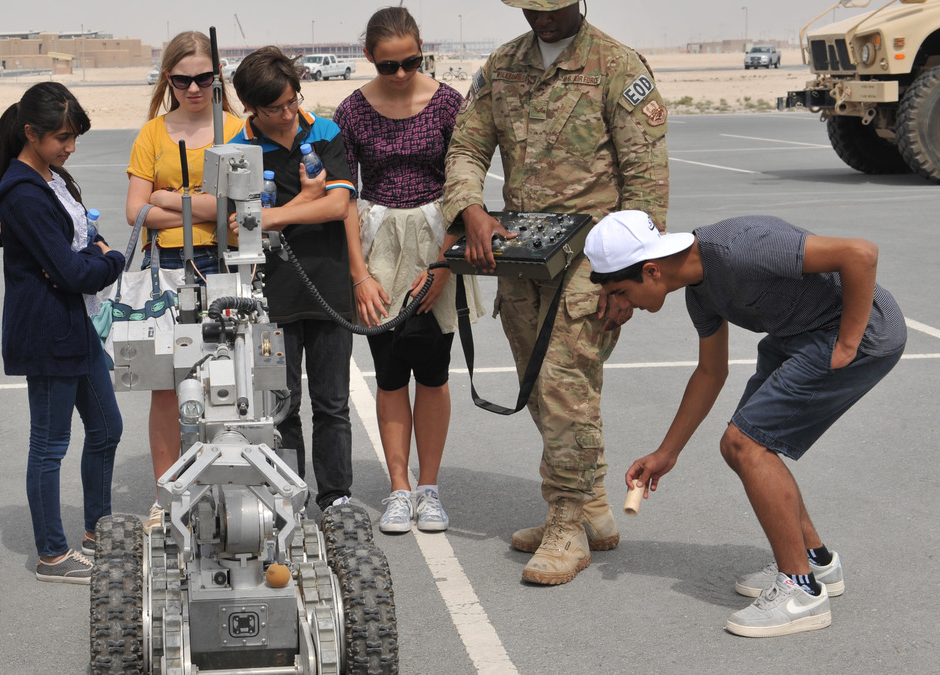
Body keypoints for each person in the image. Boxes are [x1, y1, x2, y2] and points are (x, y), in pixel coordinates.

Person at [585, 211, 906, 637]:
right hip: (798, 334)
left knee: (745, 444)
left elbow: (860, 254)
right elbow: (710, 372)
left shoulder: (740, 248)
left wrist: (848, 342)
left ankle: (800, 593)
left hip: (858, 333)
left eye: (621, 291)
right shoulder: (699, 293)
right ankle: (816, 562)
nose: (624, 305)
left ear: (651, 269)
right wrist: (667, 452)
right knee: (744, 445)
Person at [442, 0, 670, 584]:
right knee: (538, 385)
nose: (539, 19)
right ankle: (591, 502)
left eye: (550, 8)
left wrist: (630, 281)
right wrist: (469, 208)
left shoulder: (618, 67)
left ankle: (566, 521)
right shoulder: (502, 66)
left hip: (594, 258)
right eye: (529, 9)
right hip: (522, 253)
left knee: (565, 384)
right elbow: (468, 146)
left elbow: (645, 182)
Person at [335, 6, 479, 533]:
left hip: (436, 240)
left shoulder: (447, 103)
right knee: (391, 373)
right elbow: (343, 197)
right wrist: (359, 274)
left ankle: (429, 488)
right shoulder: (351, 111)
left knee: (434, 371)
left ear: (422, 52)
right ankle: (399, 489)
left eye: (411, 62)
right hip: (378, 250)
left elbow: (464, 188)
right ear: (369, 56)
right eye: (388, 65)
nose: (400, 75)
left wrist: (443, 266)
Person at [0, 82, 126, 584]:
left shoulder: (56, 177)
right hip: (47, 333)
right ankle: (52, 553)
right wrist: (108, 260)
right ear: (31, 133)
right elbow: (74, 269)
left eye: (74, 138)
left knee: (108, 428)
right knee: (49, 445)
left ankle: (98, 528)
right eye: (62, 138)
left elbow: (84, 245)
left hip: (78, 325)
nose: (70, 147)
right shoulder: (22, 192)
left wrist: (92, 256)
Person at [124, 31, 246, 528]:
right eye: (181, 79)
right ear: (167, 79)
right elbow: (135, 211)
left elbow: (237, 211)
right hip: (165, 271)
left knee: (229, 379)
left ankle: (228, 486)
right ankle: (167, 492)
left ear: (217, 79)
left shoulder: (237, 128)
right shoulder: (153, 133)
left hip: (224, 265)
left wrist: (170, 198)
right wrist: (202, 209)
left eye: (203, 78)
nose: (193, 89)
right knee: (168, 386)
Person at [228, 46, 357, 511]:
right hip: (270, 296)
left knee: (332, 404)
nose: (287, 114)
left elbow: (339, 206)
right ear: (250, 107)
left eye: (291, 101)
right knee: (282, 407)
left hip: (328, 286)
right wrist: (305, 201)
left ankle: (336, 496)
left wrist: (274, 216)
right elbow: (236, 225)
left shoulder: (324, 131)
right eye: (274, 108)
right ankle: (288, 496)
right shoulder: (237, 152)